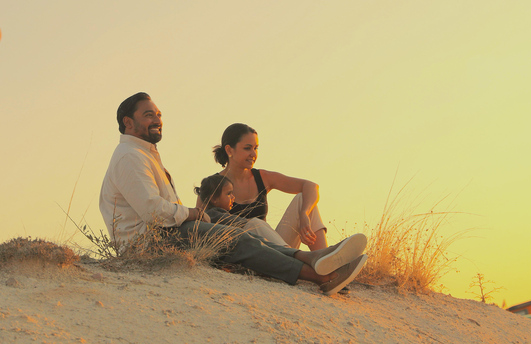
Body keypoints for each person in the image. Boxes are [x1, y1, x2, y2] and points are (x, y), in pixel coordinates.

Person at [99, 92, 368, 295]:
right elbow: (152, 210)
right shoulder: (129, 157)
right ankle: (320, 276)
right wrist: (192, 213)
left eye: (159, 114)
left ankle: (316, 257)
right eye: (149, 115)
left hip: (165, 233)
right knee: (235, 238)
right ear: (128, 122)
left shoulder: (144, 155)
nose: (157, 120)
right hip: (148, 243)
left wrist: (194, 216)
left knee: (240, 232)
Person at [206, 123, 330, 251]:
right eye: (247, 148)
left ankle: (323, 258)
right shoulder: (213, 186)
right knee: (255, 223)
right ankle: (297, 259)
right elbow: (197, 224)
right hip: (242, 253)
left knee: (302, 199)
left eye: (256, 148)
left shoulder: (262, 177)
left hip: (273, 248)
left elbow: (310, 186)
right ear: (229, 150)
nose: (253, 154)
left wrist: (304, 214)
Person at [194, 173, 290, 247]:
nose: (233, 197)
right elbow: (241, 223)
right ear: (214, 199)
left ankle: (286, 250)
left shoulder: (215, 213)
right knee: (255, 223)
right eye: (229, 193)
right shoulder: (212, 214)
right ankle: (287, 250)